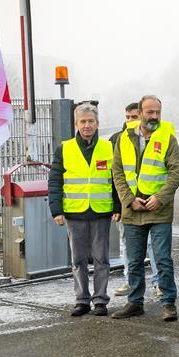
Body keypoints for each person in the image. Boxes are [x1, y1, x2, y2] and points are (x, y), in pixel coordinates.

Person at [111, 95, 179, 321]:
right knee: (133, 260)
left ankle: (168, 303)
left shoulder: (167, 138)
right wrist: (128, 199)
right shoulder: (124, 138)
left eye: (157, 112)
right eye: (149, 112)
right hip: (133, 209)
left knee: (162, 259)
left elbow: (176, 172)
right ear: (139, 113)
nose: (153, 116)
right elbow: (118, 172)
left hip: (158, 209)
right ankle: (135, 302)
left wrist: (160, 197)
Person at [48, 102, 120, 317]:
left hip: (101, 212)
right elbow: (54, 181)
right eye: (83, 121)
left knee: (101, 259)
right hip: (74, 213)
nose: (87, 125)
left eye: (90, 121)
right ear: (76, 123)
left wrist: (117, 206)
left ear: (97, 123)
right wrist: (56, 210)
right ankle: (82, 300)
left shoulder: (108, 148)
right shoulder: (65, 148)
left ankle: (100, 300)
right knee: (78, 260)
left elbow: (116, 180)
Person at [111, 102, 158, 297]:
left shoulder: (157, 137)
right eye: (128, 117)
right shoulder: (117, 139)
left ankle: (158, 283)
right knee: (126, 244)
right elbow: (114, 176)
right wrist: (119, 204)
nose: (130, 120)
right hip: (127, 204)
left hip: (151, 202)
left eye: (134, 117)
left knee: (153, 246)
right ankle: (129, 280)